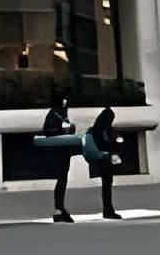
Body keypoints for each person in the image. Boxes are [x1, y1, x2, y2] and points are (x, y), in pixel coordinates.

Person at [40, 91, 78, 223]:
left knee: (63, 179)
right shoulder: (55, 113)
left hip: (63, 149)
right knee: (61, 178)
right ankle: (59, 208)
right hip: (58, 150)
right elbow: (48, 131)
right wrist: (63, 128)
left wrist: (69, 128)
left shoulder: (60, 113)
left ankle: (60, 208)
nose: (65, 103)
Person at [85, 104, 123, 220]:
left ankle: (108, 210)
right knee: (107, 185)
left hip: (104, 158)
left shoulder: (99, 129)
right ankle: (108, 210)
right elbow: (105, 143)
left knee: (107, 185)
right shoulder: (102, 130)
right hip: (103, 158)